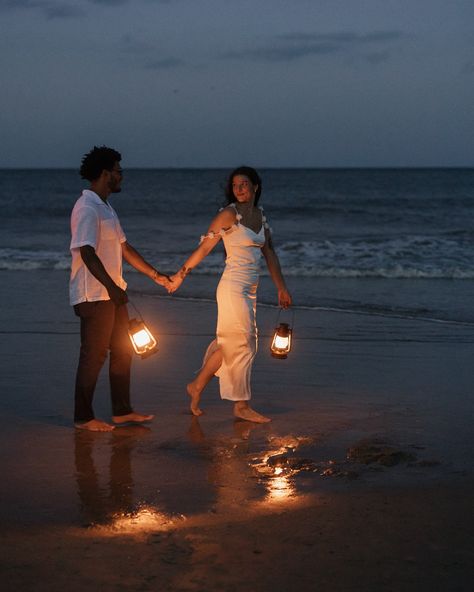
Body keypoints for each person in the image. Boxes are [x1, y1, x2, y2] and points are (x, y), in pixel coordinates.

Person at [170, 166, 292, 423]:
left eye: (244, 184)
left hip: (251, 289)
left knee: (233, 344)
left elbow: (270, 254)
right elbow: (204, 249)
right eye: (236, 185)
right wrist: (181, 274)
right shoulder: (228, 214)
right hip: (232, 288)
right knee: (245, 343)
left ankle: (196, 385)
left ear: (255, 187)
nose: (239, 189)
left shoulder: (261, 216)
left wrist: (281, 287)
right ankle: (241, 405)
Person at [70, 146, 172, 432]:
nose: (121, 177)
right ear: (105, 174)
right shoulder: (87, 208)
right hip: (94, 295)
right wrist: (112, 287)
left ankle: (122, 411)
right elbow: (87, 252)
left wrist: (155, 275)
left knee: (123, 350)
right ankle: (83, 417)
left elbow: (124, 248)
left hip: (111, 293)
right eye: (118, 172)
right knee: (94, 355)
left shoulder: (106, 207)